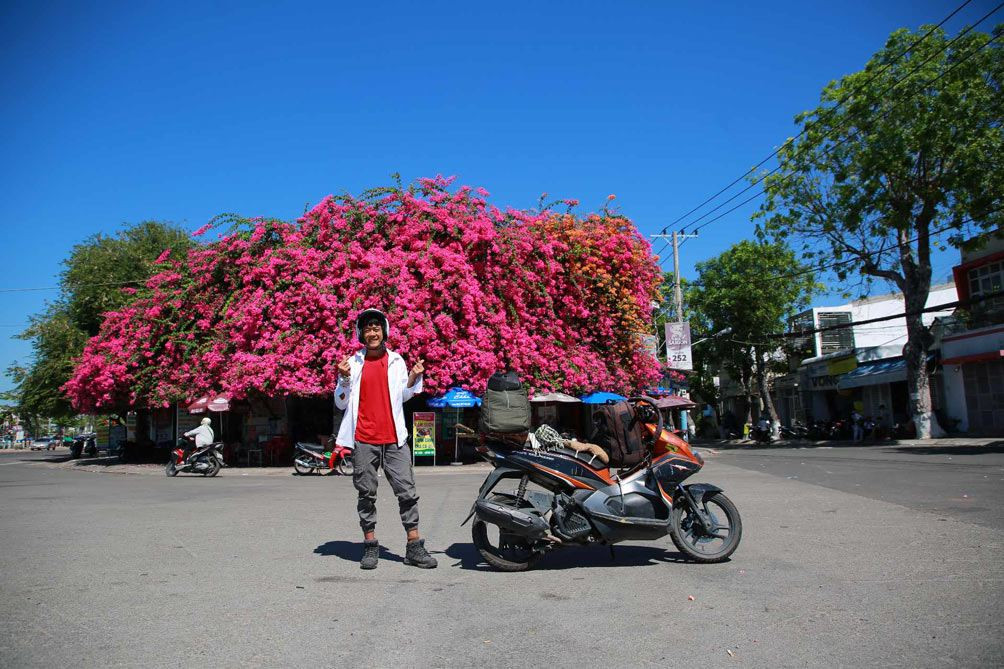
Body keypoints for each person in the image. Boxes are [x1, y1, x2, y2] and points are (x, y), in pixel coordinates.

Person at [334, 308, 437, 570]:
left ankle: (414, 546)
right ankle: (370, 545)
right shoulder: (352, 363)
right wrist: (343, 379)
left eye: (376, 328)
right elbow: (341, 403)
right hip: (363, 439)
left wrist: (413, 377)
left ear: (384, 331)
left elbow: (403, 395)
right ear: (361, 334)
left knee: (407, 492)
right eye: (367, 329)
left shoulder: (396, 361)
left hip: (394, 439)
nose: (372, 333)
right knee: (366, 494)